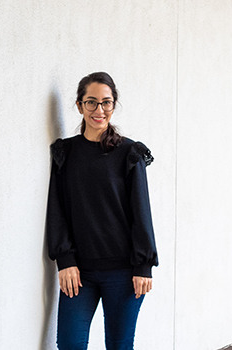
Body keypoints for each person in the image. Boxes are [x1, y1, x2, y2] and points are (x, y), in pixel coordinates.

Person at [46, 72, 158, 350]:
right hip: (78, 272)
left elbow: (141, 211)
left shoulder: (130, 153)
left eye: (106, 103)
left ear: (113, 105)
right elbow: (57, 208)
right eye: (91, 102)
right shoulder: (65, 152)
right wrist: (65, 259)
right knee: (70, 345)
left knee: (119, 347)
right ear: (79, 105)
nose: (99, 110)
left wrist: (143, 265)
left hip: (124, 272)